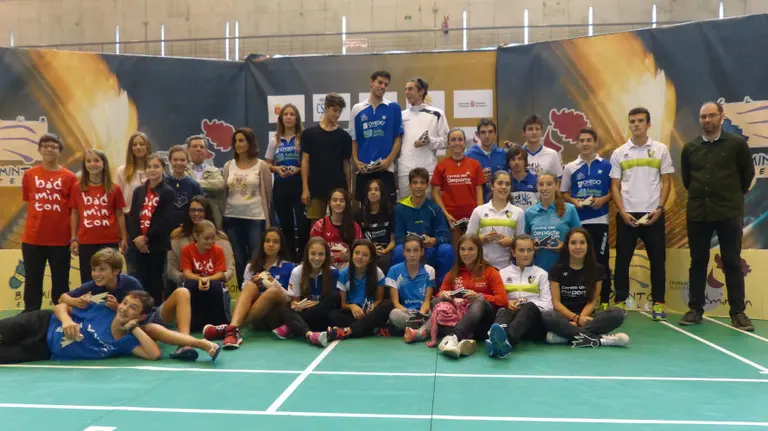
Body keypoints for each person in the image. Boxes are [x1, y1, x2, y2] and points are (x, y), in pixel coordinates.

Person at [679, 102, 755, 330]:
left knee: (732, 261)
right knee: (698, 262)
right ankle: (695, 310)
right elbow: (687, 180)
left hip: (728, 213)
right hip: (698, 213)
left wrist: (729, 197)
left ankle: (738, 313)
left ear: (721, 117)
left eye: (712, 116)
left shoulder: (737, 144)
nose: (707, 120)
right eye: (703, 117)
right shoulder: (690, 148)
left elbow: (747, 176)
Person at [59, 247, 203, 361]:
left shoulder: (130, 282)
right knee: (151, 329)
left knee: (182, 292)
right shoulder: (93, 285)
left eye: (102, 269)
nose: (97, 274)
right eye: (94, 270)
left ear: (116, 271)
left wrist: (118, 307)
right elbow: (62, 298)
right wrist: (76, 301)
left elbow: (145, 307)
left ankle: (185, 344)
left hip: (145, 319)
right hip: (132, 329)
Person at [0, 290, 220, 364]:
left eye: (132, 308)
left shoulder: (125, 342)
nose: (124, 309)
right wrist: (67, 321)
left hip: (45, 351)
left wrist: (134, 328)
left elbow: (153, 354)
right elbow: (61, 305)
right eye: (124, 303)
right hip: (41, 324)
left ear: (141, 315)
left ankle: (200, 343)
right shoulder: (101, 308)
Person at [610, 107, 673, 320]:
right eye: (632, 121)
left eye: (640, 121)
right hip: (627, 215)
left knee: (657, 260)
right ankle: (620, 302)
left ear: (648, 124)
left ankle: (658, 304)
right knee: (622, 260)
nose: (636, 124)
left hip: (653, 214)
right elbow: (615, 186)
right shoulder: (619, 153)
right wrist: (622, 212)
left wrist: (660, 209)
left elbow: (666, 182)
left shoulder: (661, 150)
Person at [206, 227, 294, 349]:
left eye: (275, 242)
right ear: (262, 243)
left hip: (277, 318)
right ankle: (232, 330)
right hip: (257, 319)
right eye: (267, 241)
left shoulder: (290, 267)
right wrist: (255, 283)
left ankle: (230, 329)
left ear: (281, 246)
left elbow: (291, 298)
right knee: (251, 285)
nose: (271, 244)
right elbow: (245, 298)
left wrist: (273, 283)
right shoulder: (251, 267)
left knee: (273, 291)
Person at [542, 228, 629, 348]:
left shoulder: (597, 269)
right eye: (573, 243)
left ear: (588, 245)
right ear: (567, 246)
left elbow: (592, 301)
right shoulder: (556, 270)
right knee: (547, 316)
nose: (578, 247)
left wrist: (581, 319)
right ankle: (601, 340)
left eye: (582, 242)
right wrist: (575, 319)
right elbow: (556, 303)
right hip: (564, 318)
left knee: (618, 313)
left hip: (587, 318)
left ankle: (566, 336)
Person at [22, 133, 77, 311]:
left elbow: (73, 209)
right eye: (45, 145)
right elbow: (29, 201)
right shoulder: (30, 174)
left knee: (61, 284)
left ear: (59, 151)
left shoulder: (69, 177)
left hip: (60, 239)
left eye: (53, 146)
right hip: (32, 239)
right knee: (32, 282)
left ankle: (61, 320)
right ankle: (30, 318)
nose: (49, 149)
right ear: (39, 149)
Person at [431, 234, 506, 359]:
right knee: (436, 302)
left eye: (471, 249)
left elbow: (503, 300)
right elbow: (441, 292)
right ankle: (463, 340)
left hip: (482, 319)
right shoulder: (454, 272)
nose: (466, 253)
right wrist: (444, 295)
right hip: (459, 319)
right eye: (462, 249)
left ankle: (454, 338)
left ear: (479, 251)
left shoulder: (490, 272)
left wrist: (479, 296)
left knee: (479, 302)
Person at [561, 128, 613, 307]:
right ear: (577, 144)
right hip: (578, 222)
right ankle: (582, 299)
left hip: (600, 220)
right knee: (578, 261)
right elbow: (563, 193)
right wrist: (574, 200)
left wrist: (603, 200)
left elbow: (614, 191)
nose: (585, 143)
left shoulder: (606, 166)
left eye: (589, 140)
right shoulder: (570, 167)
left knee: (601, 260)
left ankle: (604, 300)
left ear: (595, 143)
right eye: (581, 140)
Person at [487, 234, 552, 358]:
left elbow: (548, 306)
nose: (525, 254)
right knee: (504, 309)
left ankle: (505, 341)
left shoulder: (542, 274)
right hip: (510, 317)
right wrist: (508, 303)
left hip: (533, 323)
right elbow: (497, 299)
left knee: (528, 307)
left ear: (534, 251)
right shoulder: (502, 273)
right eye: (521, 250)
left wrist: (524, 303)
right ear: (514, 252)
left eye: (529, 250)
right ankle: (499, 339)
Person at [223, 127, 273, 286]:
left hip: (255, 217)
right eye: (235, 141)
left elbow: (267, 193)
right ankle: (238, 292)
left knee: (255, 257)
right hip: (231, 217)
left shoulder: (262, 165)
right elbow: (225, 192)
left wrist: (267, 219)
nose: (238, 144)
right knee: (237, 257)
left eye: (241, 140)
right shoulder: (228, 165)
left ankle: (254, 290)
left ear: (250, 143)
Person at [69, 148, 127, 284]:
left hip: (109, 239)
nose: (92, 164)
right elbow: (75, 213)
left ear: (103, 164)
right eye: (88, 161)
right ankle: (90, 304)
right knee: (88, 277)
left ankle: (111, 303)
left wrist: (123, 237)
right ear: (84, 165)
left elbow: (119, 214)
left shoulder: (114, 188)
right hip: (86, 240)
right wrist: (73, 238)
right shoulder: (78, 187)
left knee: (111, 276)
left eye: (96, 160)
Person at [273, 237, 341, 347]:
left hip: (322, 315)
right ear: (307, 255)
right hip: (305, 312)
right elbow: (294, 300)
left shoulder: (333, 272)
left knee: (334, 297)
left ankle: (292, 327)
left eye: (321, 254)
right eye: (313, 254)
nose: (317, 258)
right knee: (284, 308)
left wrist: (315, 304)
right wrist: (296, 305)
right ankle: (309, 335)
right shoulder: (297, 272)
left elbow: (332, 302)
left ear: (326, 256)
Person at [392, 168, 454, 286]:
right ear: (410, 185)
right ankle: (401, 287)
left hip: (430, 249)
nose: (418, 186)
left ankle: (441, 287)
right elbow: (399, 237)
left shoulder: (434, 208)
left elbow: (445, 235)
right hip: (409, 249)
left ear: (427, 185)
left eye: (422, 183)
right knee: (398, 250)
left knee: (446, 250)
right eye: (415, 183)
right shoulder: (400, 208)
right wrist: (413, 245)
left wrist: (433, 240)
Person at [127, 153, 175, 306]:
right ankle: (140, 310)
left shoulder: (167, 192)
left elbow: (164, 219)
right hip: (138, 243)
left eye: (156, 166)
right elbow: (133, 215)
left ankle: (156, 312)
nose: (152, 170)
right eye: (149, 167)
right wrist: (137, 238)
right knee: (140, 278)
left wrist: (146, 237)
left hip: (156, 243)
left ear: (163, 168)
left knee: (156, 279)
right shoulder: (139, 191)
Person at [349, 70, 403, 204]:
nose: (383, 87)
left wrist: (388, 160)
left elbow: (398, 138)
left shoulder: (394, 107)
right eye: (380, 82)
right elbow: (353, 139)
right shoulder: (357, 109)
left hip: (386, 168)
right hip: (364, 169)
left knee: (388, 209)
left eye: (386, 84)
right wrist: (356, 162)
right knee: (363, 212)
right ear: (371, 83)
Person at [324, 239, 393, 341]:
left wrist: (373, 306)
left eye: (365, 255)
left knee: (387, 305)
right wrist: (352, 307)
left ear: (370, 259)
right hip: (353, 315)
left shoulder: (377, 273)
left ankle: (347, 331)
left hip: (370, 313)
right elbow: (343, 304)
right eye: (357, 253)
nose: (359, 257)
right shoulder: (344, 274)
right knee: (333, 316)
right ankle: (371, 329)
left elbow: (379, 300)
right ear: (352, 255)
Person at [167, 196, 235, 298]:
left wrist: (208, 280)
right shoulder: (177, 237)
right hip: (187, 285)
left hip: (214, 284)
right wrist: (189, 278)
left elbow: (229, 269)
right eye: (193, 210)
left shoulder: (221, 239)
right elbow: (171, 270)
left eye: (200, 210)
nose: (196, 214)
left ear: (207, 212)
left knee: (216, 287)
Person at [301, 93, 353, 226]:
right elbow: (305, 162)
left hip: (338, 188)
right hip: (315, 189)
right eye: (334, 110)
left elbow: (347, 166)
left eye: (340, 111)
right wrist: (305, 188)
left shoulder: (344, 136)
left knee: (339, 223)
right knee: (315, 225)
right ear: (325, 107)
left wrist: (349, 190)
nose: (337, 115)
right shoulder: (309, 134)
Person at [266, 103, 309, 260]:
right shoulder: (275, 140)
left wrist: (298, 170)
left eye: (292, 114)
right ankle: (289, 258)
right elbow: (268, 164)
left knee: (303, 223)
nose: (289, 117)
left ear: (297, 118)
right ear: (281, 118)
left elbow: (307, 162)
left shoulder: (303, 138)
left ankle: (304, 257)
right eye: (286, 114)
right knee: (285, 223)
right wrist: (277, 169)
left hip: (299, 183)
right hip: (281, 185)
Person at [431, 128, 485, 246]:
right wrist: (446, 214)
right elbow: (435, 192)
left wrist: (478, 213)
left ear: (465, 142)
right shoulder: (441, 165)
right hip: (451, 217)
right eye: (453, 140)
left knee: (472, 249)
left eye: (460, 139)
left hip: (472, 215)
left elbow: (479, 189)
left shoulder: (475, 164)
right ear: (448, 143)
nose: (457, 143)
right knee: (455, 252)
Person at [398, 77, 449, 198]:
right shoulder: (401, 115)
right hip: (405, 171)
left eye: (410, 89)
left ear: (421, 92)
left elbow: (447, 141)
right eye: (405, 89)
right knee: (406, 209)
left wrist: (429, 141)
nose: (406, 92)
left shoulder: (437, 113)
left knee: (427, 209)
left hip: (428, 170)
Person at [466, 171, 525, 269]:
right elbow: (467, 242)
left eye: (507, 184)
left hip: (507, 268)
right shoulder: (478, 211)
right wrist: (483, 239)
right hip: (482, 267)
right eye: (500, 183)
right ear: (492, 186)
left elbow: (522, 244)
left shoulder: (518, 212)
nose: (504, 187)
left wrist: (511, 242)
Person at [181, 220, 232, 333]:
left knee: (216, 285)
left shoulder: (218, 250)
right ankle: (192, 322)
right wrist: (200, 279)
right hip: (195, 281)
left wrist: (206, 279)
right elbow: (186, 272)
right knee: (189, 285)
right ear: (196, 236)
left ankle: (220, 322)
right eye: (206, 238)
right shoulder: (187, 250)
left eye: (213, 238)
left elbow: (220, 273)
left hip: (212, 281)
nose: (210, 241)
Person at [525, 172, 581, 272]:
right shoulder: (529, 212)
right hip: (537, 270)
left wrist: (565, 246)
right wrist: (531, 245)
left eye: (549, 184)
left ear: (557, 186)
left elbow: (580, 240)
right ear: (537, 187)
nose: (545, 188)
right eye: (541, 184)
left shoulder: (570, 209)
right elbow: (525, 240)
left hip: (564, 268)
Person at [387, 235, 436, 333]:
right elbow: (395, 303)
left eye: (416, 250)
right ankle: (423, 329)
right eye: (408, 250)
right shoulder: (394, 271)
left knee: (435, 313)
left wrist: (421, 315)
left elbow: (427, 301)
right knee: (394, 314)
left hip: (423, 312)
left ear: (422, 252)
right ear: (403, 252)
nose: (412, 254)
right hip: (405, 312)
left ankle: (416, 332)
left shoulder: (429, 270)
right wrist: (411, 314)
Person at [310, 188, 363, 271]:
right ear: (329, 203)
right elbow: (312, 249)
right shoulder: (320, 225)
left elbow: (360, 251)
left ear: (346, 204)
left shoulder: (354, 226)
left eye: (342, 201)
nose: (338, 203)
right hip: (324, 264)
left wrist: (349, 257)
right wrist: (325, 259)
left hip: (347, 265)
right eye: (334, 200)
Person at [185, 135, 226, 228]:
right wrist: (207, 186)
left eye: (201, 147)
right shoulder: (182, 170)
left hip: (211, 217)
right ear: (188, 149)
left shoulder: (215, 170)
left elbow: (219, 186)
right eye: (195, 146)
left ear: (206, 151)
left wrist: (193, 183)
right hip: (188, 218)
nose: (198, 149)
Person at [356, 178, 395, 273]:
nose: (372, 192)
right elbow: (357, 240)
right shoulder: (358, 214)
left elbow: (393, 240)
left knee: (384, 261)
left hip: (385, 250)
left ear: (382, 192)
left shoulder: (390, 212)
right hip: (366, 249)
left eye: (376, 189)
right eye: (370, 190)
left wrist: (385, 251)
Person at [466, 118, 507, 201]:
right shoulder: (468, 156)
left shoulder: (503, 154)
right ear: (477, 135)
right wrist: (478, 179)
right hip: (477, 204)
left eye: (490, 132)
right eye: (483, 132)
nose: (487, 136)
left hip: (500, 203)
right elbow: (464, 184)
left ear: (495, 134)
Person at [166, 145, 202, 230]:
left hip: (188, 229)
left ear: (188, 162)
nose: (179, 163)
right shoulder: (163, 183)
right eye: (175, 160)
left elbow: (200, 210)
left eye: (182, 160)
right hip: (165, 230)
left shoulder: (194, 185)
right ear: (170, 161)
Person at [507, 145, 539, 211]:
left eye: (520, 159)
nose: (516, 162)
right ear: (508, 162)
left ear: (525, 161)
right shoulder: (505, 182)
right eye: (513, 159)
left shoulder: (536, 180)